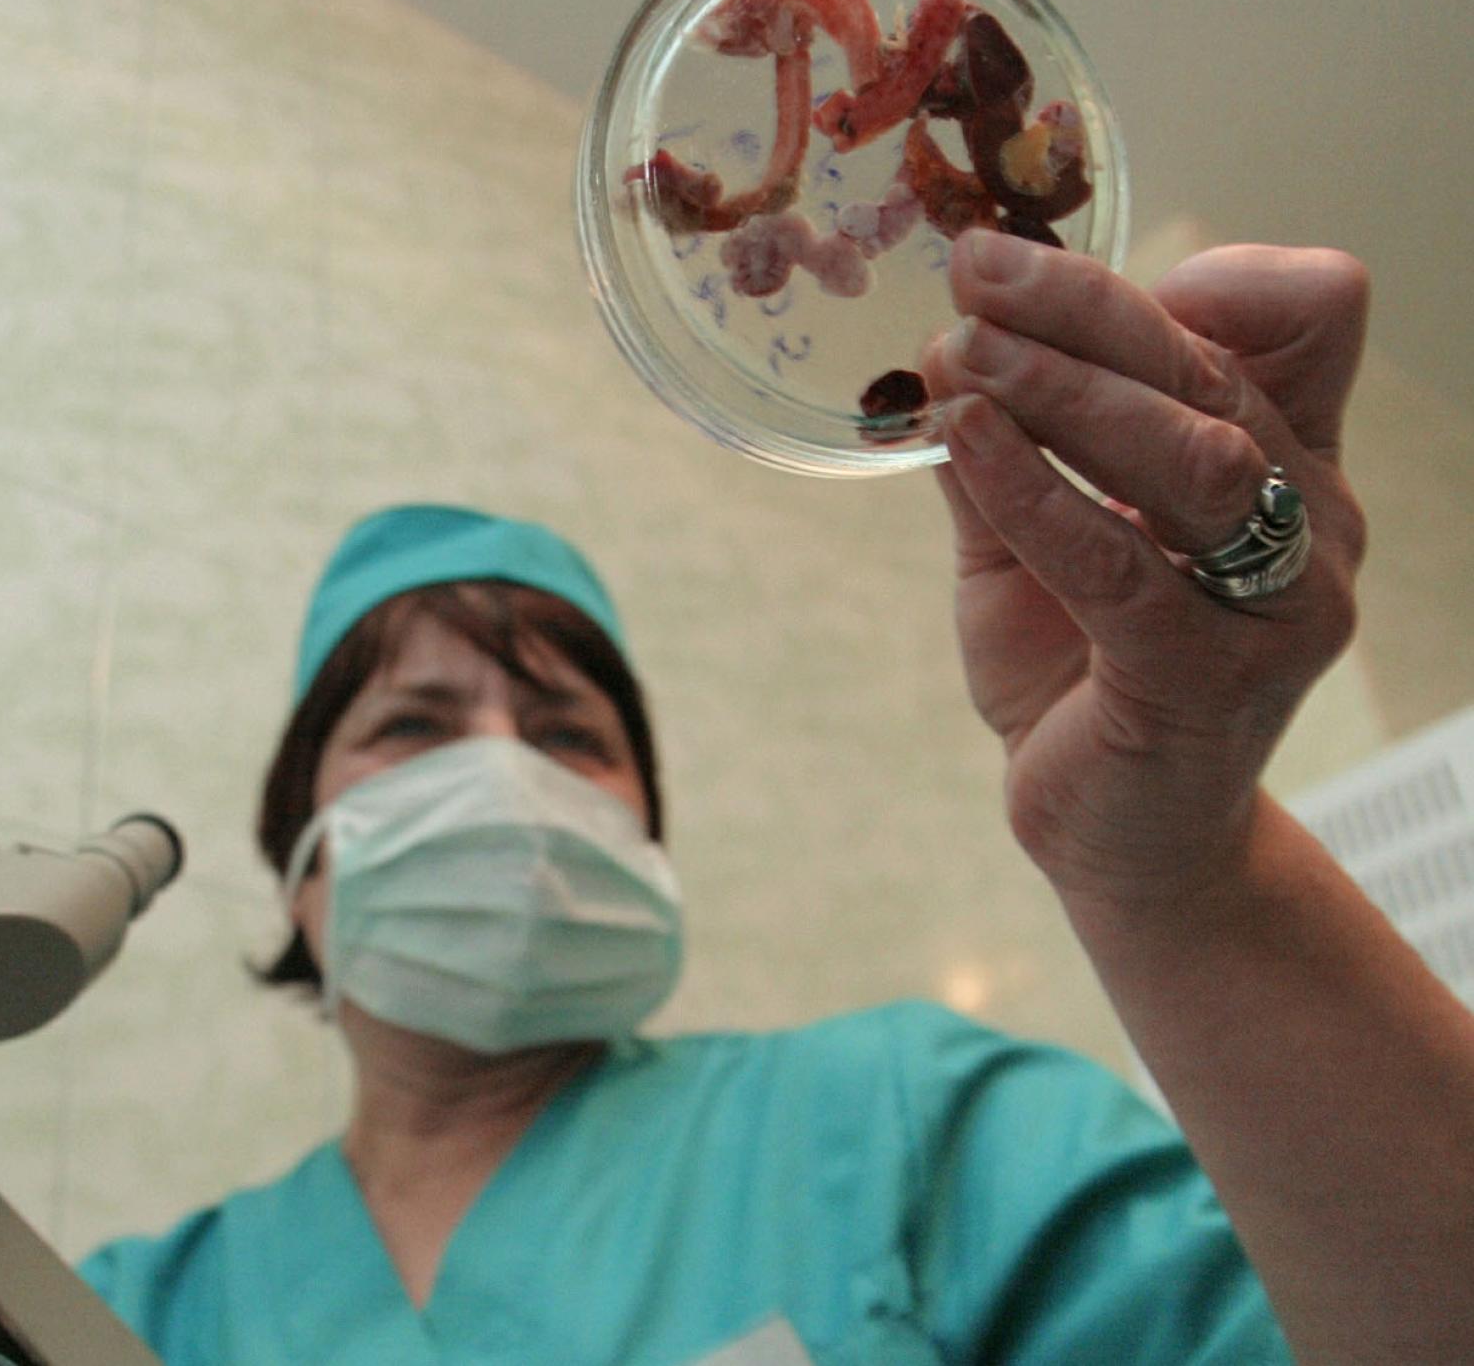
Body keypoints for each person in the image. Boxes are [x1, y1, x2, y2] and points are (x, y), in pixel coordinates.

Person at [75, 230, 1474, 1364]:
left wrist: (1183, 868)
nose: (499, 770)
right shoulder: (130, 1314)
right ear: (298, 852)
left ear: (638, 826)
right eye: (414, 726)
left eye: (566, 730)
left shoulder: (900, 1124)